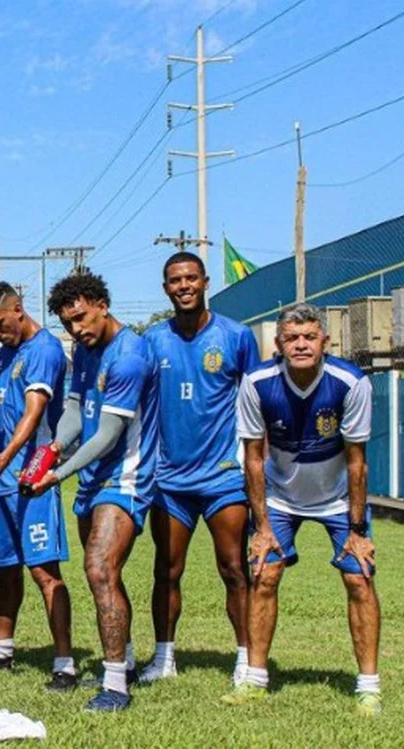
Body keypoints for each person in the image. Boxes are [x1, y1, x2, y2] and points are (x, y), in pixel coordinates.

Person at [222, 303, 381, 717]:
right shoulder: (257, 382)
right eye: (292, 339)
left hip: (339, 499)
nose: (301, 345)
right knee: (264, 572)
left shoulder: (351, 382)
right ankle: (255, 680)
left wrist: (358, 529)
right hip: (279, 498)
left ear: (325, 342)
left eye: (310, 337)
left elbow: (357, 461)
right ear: (278, 345)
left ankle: (368, 687)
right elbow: (253, 458)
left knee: (360, 579)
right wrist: (261, 526)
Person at [30, 271, 158, 712]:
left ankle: (116, 687)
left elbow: (107, 433)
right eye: (68, 324)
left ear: (103, 304)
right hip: (90, 476)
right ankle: (127, 655)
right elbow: (73, 410)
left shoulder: (130, 356)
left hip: (125, 475)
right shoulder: (82, 350)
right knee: (106, 575)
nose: (77, 329)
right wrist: (53, 447)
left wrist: (57, 473)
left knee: (99, 568)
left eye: (82, 318)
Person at [140, 253, 260, 685]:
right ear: (165, 287)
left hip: (224, 478)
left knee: (234, 569)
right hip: (169, 481)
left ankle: (246, 660)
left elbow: (255, 404)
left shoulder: (237, 336)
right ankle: (163, 659)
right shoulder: (151, 341)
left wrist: (252, 464)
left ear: (206, 281)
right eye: (175, 280)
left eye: (191, 278)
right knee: (166, 571)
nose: (184, 285)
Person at [0, 282, 75, 691]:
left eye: (0, 324)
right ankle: (2, 650)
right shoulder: (10, 349)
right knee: (5, 570)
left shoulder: (45, 350)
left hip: (31, 476)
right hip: (1, 478)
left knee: (44, 570)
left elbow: (34, 413)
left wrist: (8, 456)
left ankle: (64, 662)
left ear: (18, 308)